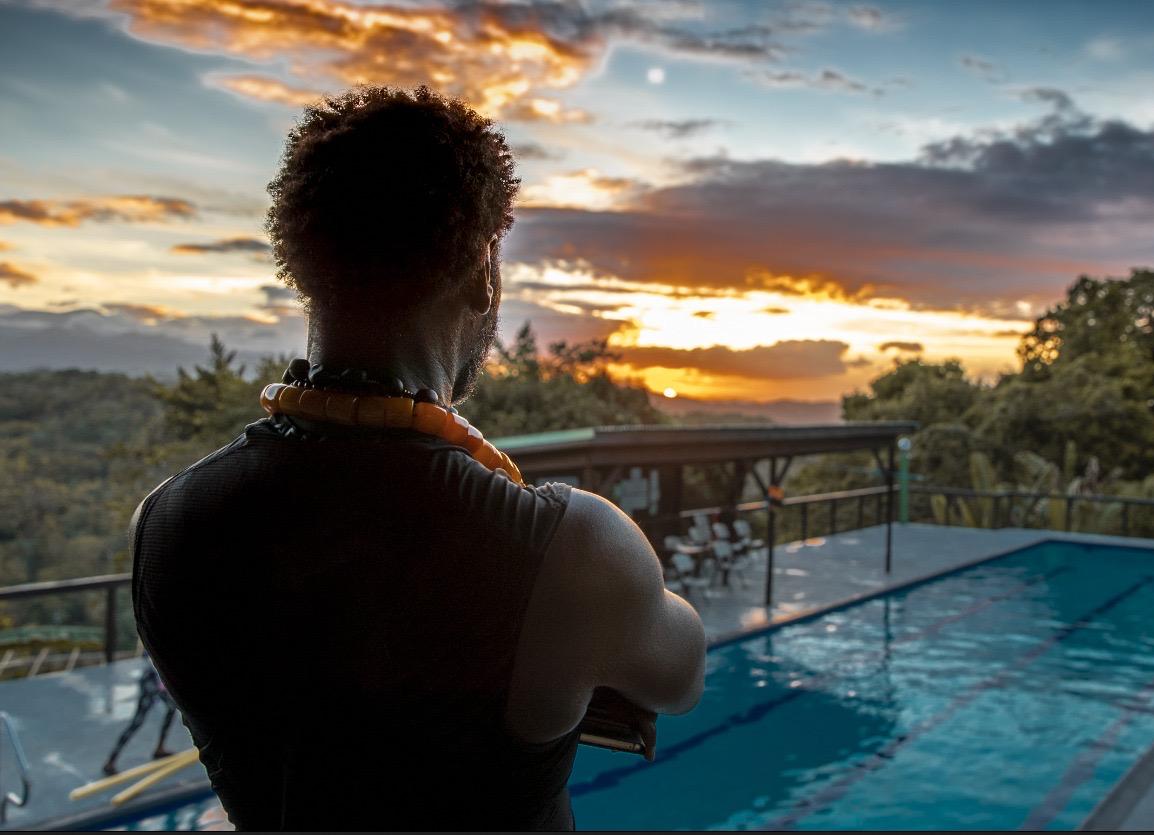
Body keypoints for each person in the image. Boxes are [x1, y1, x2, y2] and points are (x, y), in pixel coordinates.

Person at [129, 86, 705, 831]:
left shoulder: (166, 525)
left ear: (302, 268)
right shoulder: (576, 555)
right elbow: (680, 674)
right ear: (483, 271)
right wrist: (576, 648)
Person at [101, 654, 178, 776]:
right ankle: (110, 761)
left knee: (171, 708)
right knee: (137, 722)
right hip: (152, 682)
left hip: (160, 681)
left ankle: (159, 748)